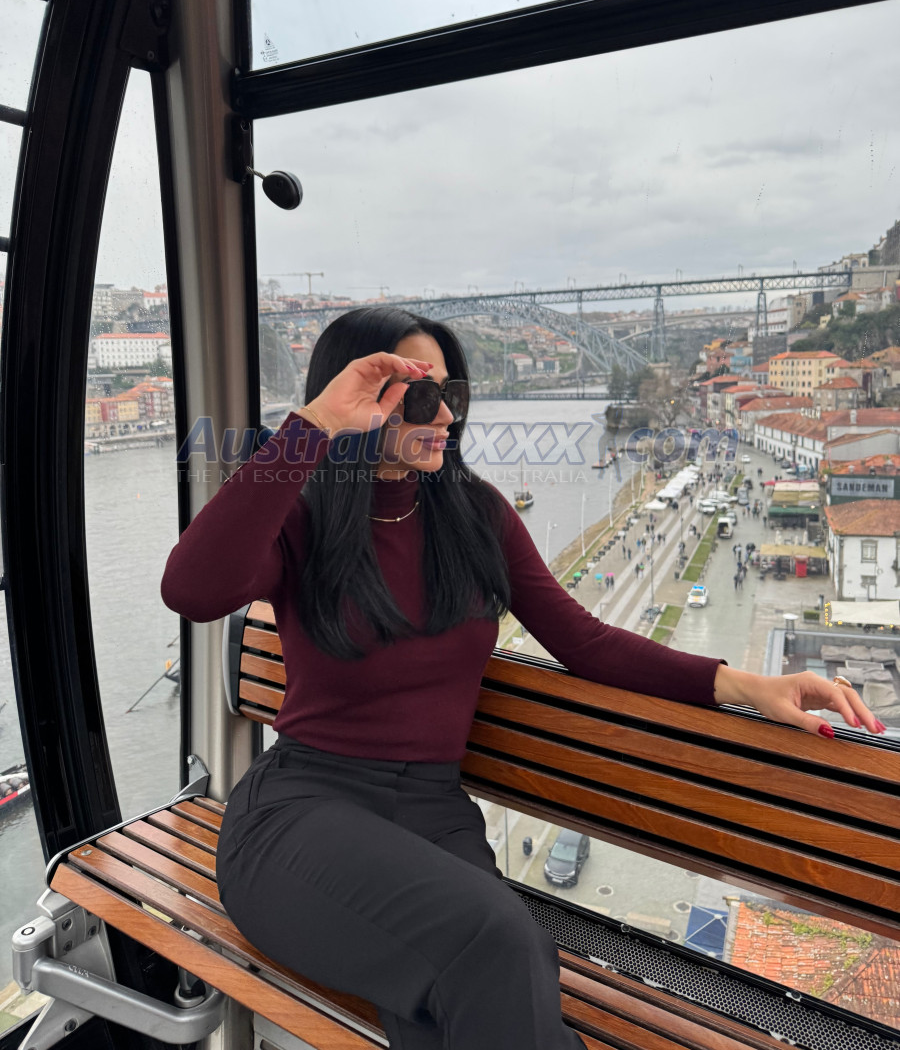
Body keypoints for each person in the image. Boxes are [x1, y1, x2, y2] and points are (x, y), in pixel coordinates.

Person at [160, 307, 883, 1050]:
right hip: (302, 814)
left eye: (452, 395)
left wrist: (746, 685)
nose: (445, 416)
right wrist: (311, 427)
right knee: (501, 943)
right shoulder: (301, 516)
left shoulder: (475, 516)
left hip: (432, 818)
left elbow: (584, 640)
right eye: (420, 397)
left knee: (467, 998)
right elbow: (192, 590)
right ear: (357, 398)